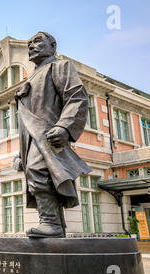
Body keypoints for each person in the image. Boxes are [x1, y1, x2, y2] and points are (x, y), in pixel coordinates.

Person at [13, 31, 91, 238]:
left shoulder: (60, 66)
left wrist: (65, 126)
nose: (31, 46)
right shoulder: (31, 77)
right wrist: (20, 153)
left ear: (53, 46)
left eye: (37, 41)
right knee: (36, 175)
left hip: (49, 134)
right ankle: (53, 224)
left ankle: (51, 223)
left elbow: (77, 98)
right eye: (29, 43)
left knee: (40, 172)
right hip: (31, 138)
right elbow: (25, 121)